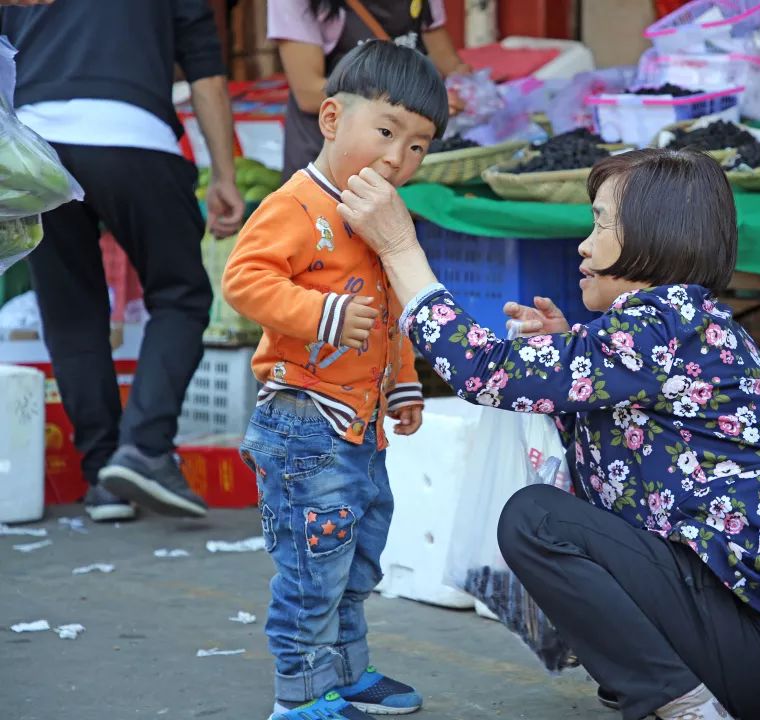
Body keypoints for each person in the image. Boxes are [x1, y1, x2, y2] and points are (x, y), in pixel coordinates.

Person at [338, 147, 760, 720]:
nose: (585, 244)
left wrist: (398, 246)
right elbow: (629, 465)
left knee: (538, 518)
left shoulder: (664, 323)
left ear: (654, 235)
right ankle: (674, 690)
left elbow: (481, 370)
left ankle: (687, 707)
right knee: (561, 514)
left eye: (602, 221)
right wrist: (567, 372)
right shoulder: (679, 325)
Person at [221, 41, 441, 720]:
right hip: (303, 425)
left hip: (360, 426)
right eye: (385, 132)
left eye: (418, 146)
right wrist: (322, 312)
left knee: (358, 559)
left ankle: (346, 671)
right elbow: (244, 280)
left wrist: (402, 380)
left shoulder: (378, 217)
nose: (398, 158)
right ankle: (302, 696)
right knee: (313, 571)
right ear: (331, 118)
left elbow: (390, 312)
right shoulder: (297, 204)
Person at [0, 1, 245, 522]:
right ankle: (145, 448)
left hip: (39, 143)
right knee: (181, 295)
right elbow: (206, 76)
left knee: (71, 315)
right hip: (136, 138)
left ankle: (104, 476)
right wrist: (224, 174)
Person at [269, 0, 469, 179]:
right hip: (324, 147)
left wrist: (467, 88)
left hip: (398, 159)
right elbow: (308, 91)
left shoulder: (398, 157)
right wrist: (410, 101)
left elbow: (446, 60)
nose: (395, 159)